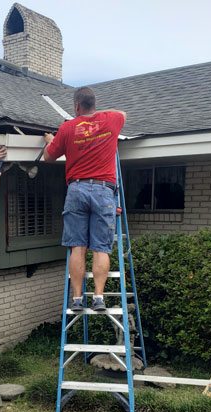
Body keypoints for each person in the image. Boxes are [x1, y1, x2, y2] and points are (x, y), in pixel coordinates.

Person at [43, 86, 126, 312]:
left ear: (76, 106)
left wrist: (51, 140)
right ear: (94, 104)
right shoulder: (111, 120)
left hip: (77, 189)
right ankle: (98, 298)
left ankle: (78, 299)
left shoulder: (68, 128)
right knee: (101, 248)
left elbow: (49, 156)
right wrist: (96, 119)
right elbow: (123, 114)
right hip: (103, 190)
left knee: (77, 247)